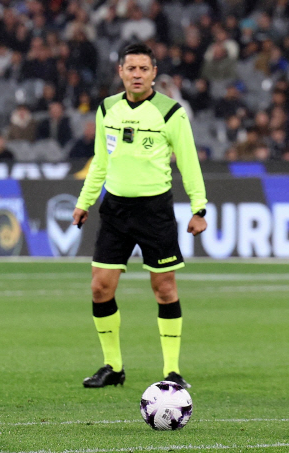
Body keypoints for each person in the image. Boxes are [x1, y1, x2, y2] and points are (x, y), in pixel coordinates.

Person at [72, 43, 208, 390]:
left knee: (163, 288)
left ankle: (172, 371)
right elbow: (100, 161)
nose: (136, 74)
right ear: (120, 72)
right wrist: (84, 202)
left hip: (154, 211)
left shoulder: (170, 112)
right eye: (130, 68)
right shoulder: (107, 109)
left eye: (143, 69)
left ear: (154, 73)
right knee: (100, 287)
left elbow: (188, 161)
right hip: (115, 210)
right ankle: (113, 367)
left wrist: (199, 207)